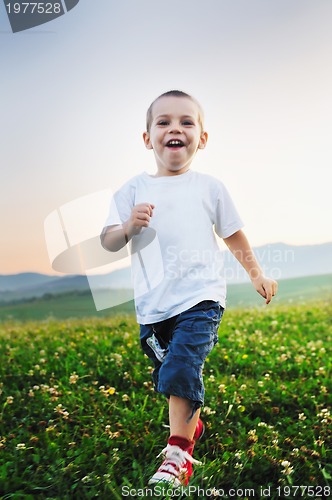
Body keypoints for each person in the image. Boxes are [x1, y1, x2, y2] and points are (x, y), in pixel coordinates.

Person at [100, 90, 278, 487]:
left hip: (202, 298)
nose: (174, 128)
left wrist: (255, 274)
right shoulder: (131, 190)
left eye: (186, 121)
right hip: (153, 308)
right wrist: (128, 227)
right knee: (171, 378)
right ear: (148, 138)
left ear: (203, 137)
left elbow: (234, 236)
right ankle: (189, 426)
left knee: (182, 367)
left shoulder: (209, 187)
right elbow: (108, 240)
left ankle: (178, 455)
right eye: (163, 122)